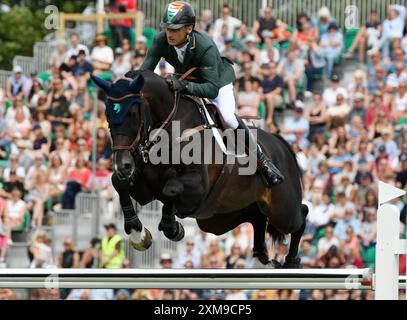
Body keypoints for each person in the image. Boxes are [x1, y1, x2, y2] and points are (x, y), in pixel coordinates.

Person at [140, 1, 284, 186]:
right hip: (187, 80)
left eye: (175, 29)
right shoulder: (161, 40)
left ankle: (263, 161)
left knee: (228, 118)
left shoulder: (205, 46)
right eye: (167, 28)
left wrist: (183, 86)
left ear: (189, 28)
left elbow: (211, 89)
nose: (169, 33)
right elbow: (145, 74)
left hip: (216, 82)